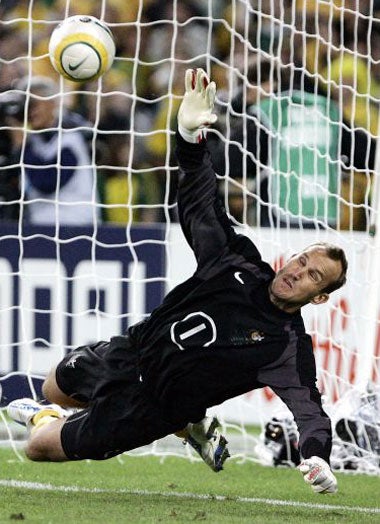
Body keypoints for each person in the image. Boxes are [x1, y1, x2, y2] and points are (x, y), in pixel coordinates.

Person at [7, 68, 348, 494]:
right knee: (52, 387)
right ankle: (191, 422)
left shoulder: (285, 346)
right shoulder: (235, 261)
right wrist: (189, 139)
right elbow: (202, 203)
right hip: (130, 352)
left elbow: (310, 411)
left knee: (38, 446)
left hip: (150, 408)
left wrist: (316, 454)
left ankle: (172, 419)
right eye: (301, 260)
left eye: (313, 275)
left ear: (318, 298)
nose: (297, 271)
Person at [14, 76, 99, 226]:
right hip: (42, 225)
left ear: (52, 103)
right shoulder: (33, 140)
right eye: (25, 106)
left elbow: (47, 182)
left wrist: (22, 146)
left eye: (34, 104)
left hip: (76, 226)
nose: (30, 111)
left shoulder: (71, 138)